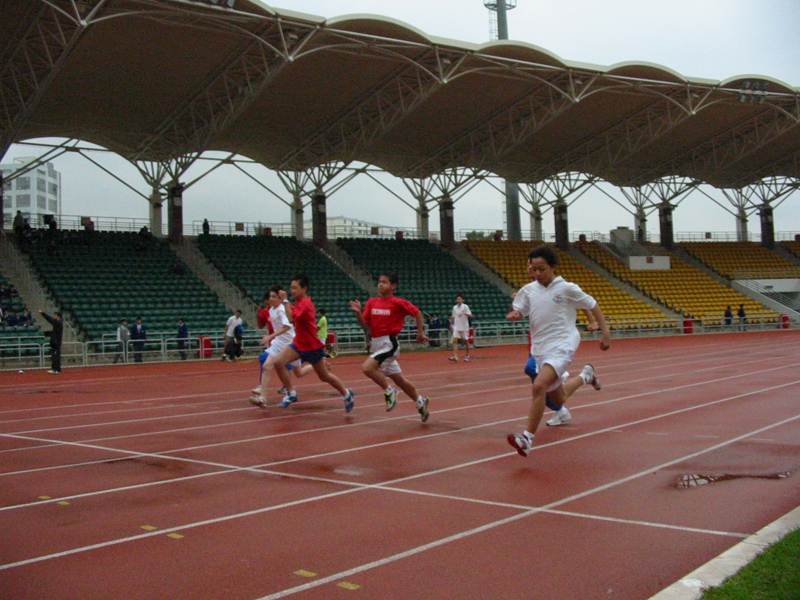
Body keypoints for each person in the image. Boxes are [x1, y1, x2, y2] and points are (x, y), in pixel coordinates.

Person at [506, 245, 611, 457]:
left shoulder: (566, 288)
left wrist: (605, 332)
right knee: (558, 399)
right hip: (540, 348)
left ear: (553, 267)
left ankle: (527, 438)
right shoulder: (529, 290)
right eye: (534, 269)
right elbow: (521, 310)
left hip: (563, 344)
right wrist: (516, 315)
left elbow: (592, 304)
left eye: (542, 269)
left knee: (539, 386)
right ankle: (585, 376)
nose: (537, 273)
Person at [349, 273, 431, 422]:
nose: (380, 284)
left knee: (367, 368)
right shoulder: (372, 302)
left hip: (389, 343)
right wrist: (358, 312)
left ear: (393, 286)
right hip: (376, 343)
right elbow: (364, 324)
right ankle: (420, 402)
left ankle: (389, 390)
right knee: (400, 380)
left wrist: (420, 333)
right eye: (379, 282)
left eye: (384, 282)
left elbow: (417, 313)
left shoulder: (398, 302)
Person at [271, 274, 355, 412]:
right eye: (291, 288)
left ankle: (346, 394)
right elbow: (292, 312)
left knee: (324, 376)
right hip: (298, 343)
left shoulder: (306, 304)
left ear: (304, 289)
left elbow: (291, 319)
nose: (292, 291)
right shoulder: (298, 303)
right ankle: (291, 393)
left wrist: (285, 301)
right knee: (278, 362)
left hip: (311, 346)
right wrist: (285, 302)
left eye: (295, 288)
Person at [249, 285, 313, 407]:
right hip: (278, 343)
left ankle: (316, 365)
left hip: (290, 344)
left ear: (280, 299)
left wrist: (270, 336)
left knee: (299, 373)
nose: (271, 299)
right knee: (267, 366)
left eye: (274, 297)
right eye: (270, 296)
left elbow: (287, 326)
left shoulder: (282, 310)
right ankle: (263, 398)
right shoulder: (271, 310)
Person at [449, 294, 472, 362]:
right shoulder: (454, 307)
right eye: (457, 299)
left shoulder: (465, 306)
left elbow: (470, 315)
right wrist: (451, 324)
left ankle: (467, 355)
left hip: (464, 326)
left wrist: (464, 313)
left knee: (466, 341)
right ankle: (455, 356)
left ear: (462, 300)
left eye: (460, 299)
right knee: (455, 341)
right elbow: (453, 316)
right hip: (456, 326)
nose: (458, 300)